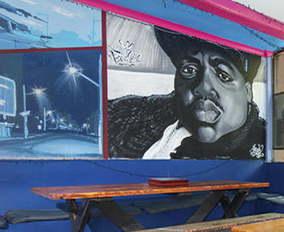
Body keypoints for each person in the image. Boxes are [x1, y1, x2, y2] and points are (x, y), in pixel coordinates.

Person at [107, 26, 265, 159]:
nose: (203, 88)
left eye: (223, 76)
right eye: (189, 70)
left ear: (247, 92)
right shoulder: (133, 116)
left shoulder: (261, 142)